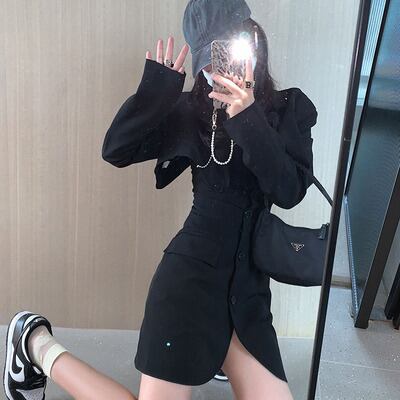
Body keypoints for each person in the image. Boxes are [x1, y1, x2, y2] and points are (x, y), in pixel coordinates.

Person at [3, 1, 318, 399]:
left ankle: (219, 354)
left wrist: (248, 117)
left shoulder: (289, 109)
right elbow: (116, 150)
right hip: (188, 286)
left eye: (226, 50)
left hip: (248, 296)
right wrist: (157, 90)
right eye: (209, 60)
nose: (219, 69)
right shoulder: (192, 111)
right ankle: (34, 344)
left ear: (254, 40)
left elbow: (289, 192)